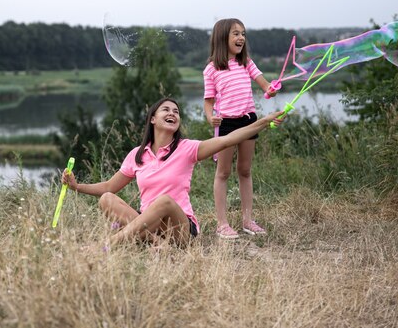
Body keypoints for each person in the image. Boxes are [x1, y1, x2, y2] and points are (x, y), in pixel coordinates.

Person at [61, 97, 284, 247]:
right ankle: (157, 246)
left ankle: (110, 245)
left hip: (180, 227)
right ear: (152, 119)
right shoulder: (137, 155)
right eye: (166, 110)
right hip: (150, 226)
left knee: (165, 201)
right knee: (107, 199)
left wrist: (263, 121)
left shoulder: (187, 148)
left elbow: (228, 139)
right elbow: (109, 187)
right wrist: (76, 186)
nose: (172, 113)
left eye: (176, 112)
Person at [203, 18, 278, 239]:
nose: (241, 38)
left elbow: (264, 85)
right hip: (226, 123)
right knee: (223, 172)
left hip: (249, 119)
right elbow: (208, 101)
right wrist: (210, 117)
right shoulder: (211, 69)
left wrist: (271, 89)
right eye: (236, 34)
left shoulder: (247, 63)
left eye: (243, 34)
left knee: (245, 170)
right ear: (221, 37)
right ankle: (222, 224)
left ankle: (247, 221)